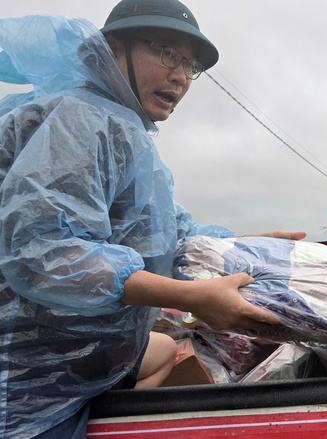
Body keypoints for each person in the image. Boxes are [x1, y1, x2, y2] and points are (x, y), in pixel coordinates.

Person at [0, 1, 294, 437]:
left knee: (162, 352)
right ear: (111, 49)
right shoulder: (81, 118)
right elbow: (45, 255)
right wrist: (194, 298)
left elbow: (167, 234)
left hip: (90, 360)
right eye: (166, 52)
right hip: (33, 379)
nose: (180, 75)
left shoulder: (127, 133)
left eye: (190, 65)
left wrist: (246, 243)